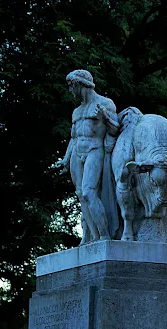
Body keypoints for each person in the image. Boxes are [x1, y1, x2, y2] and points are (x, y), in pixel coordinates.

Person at [56, 70, 119, 244]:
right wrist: (66, 159)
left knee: (89, 193)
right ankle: (90, 237)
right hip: (77, 153)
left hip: (94, 150)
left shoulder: (105, 103)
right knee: (81, 195)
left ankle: (104, 235)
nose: (70, 90)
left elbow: (115, 130)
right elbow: (74, 138)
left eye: (71, 86)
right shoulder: (77, 111)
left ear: (81, 84)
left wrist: (105, 118)